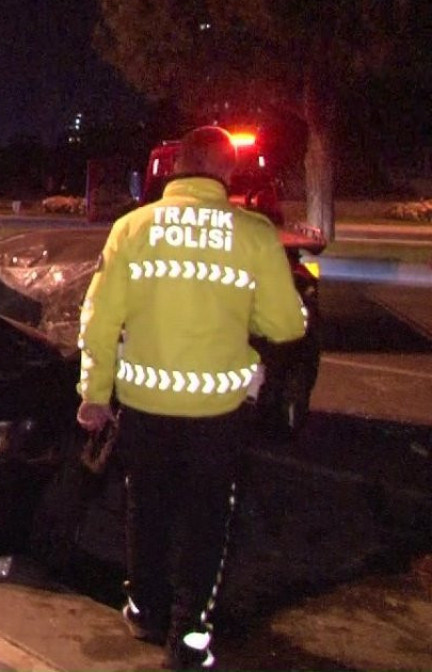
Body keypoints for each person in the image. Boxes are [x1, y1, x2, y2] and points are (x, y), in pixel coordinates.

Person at [75, 126, 308, 670]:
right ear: (228, 173)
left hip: (145, 408)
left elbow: (99, 321)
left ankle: (144, 609)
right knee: (207, 521)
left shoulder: (131, 229)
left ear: (176, 167)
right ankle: (189, 639)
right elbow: (285, 326)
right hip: (217, 415)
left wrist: (95, 395)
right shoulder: (253, 234)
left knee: (147, 507)